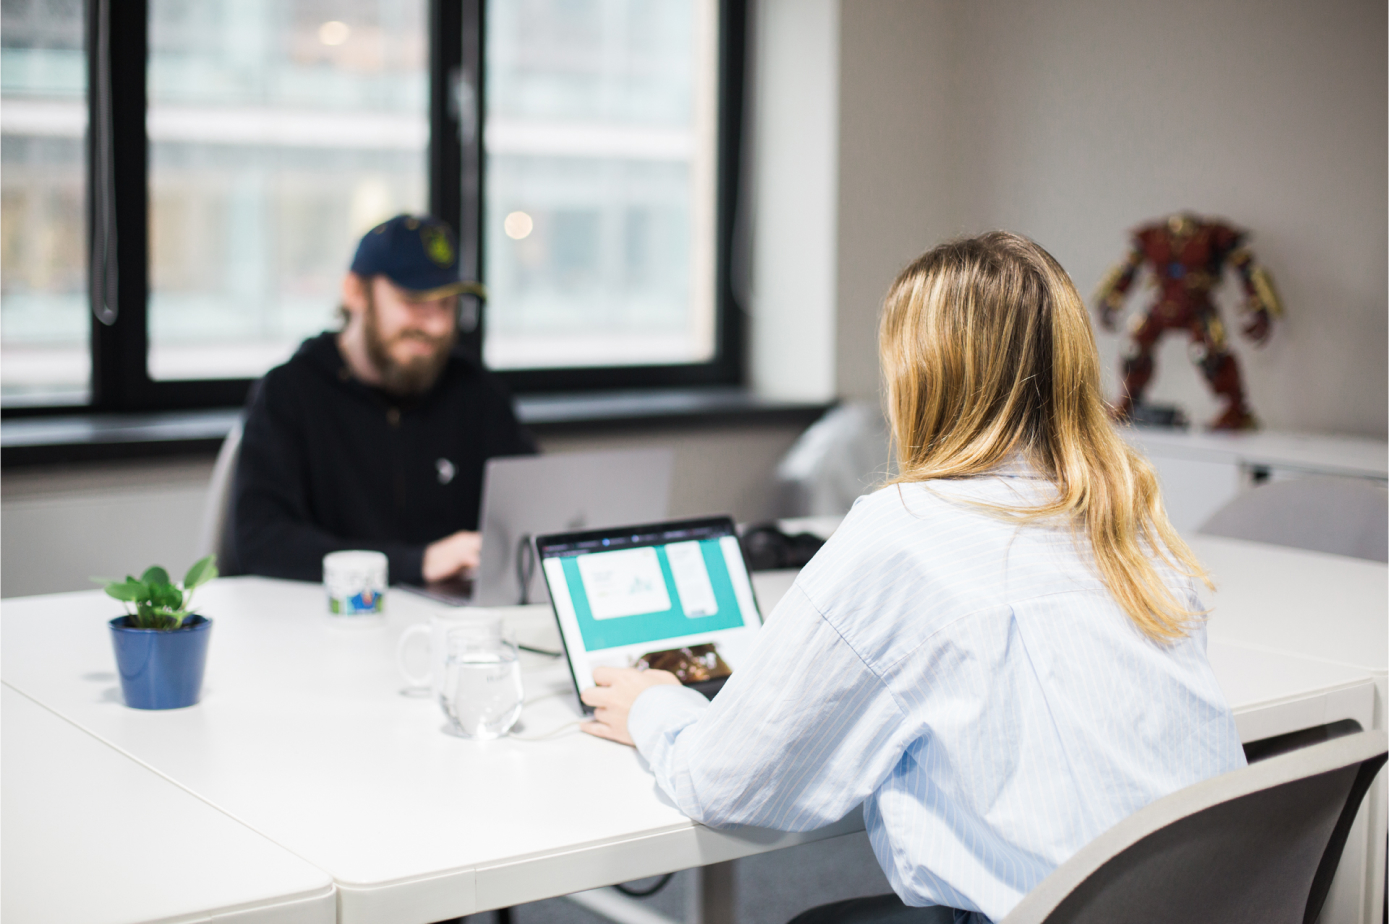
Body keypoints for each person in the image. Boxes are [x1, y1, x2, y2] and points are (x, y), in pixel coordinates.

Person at [579, 233, 1246, 923]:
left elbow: (728, 784)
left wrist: (655, 708)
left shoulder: (906, 528)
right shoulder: (1128, 519)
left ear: (920, 373)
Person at [234, 214, 536, 585]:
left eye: (447, 305)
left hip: (455, 624)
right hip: (330, 626)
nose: (438, 326)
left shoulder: (474, 390)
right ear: (355, 292)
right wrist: (416, 563)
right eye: (414, 300)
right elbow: (260, 542)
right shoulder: (291, 392)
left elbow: (534, 510)